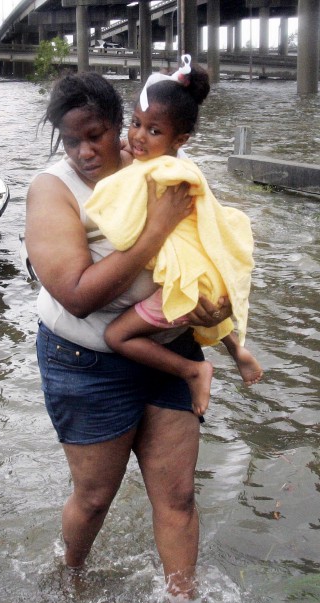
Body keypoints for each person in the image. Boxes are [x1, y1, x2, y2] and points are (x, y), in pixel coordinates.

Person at [24, 72, 233, 601]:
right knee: (95, 498)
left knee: (179, 496)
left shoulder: (153, 163)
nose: (84, 151)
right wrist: (155, 231)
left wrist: (215, 304)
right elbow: (75, 293)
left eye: (95, 135)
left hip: (167, 347)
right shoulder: (53, 190)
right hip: (86, 360)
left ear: (118, 125)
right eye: (71, 140)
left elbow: (206, 239)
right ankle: (71, 577)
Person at [91, 59, 262, 417]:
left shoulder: (163, 172)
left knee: (117, 336)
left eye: (153, 131)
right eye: (136, 124)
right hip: (205, 274)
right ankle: (236, 349)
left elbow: (123, 219)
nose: (138, 136)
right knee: (206, 307)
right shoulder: (174, 163)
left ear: (179, 140)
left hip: (189, 281)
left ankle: (194, 370)